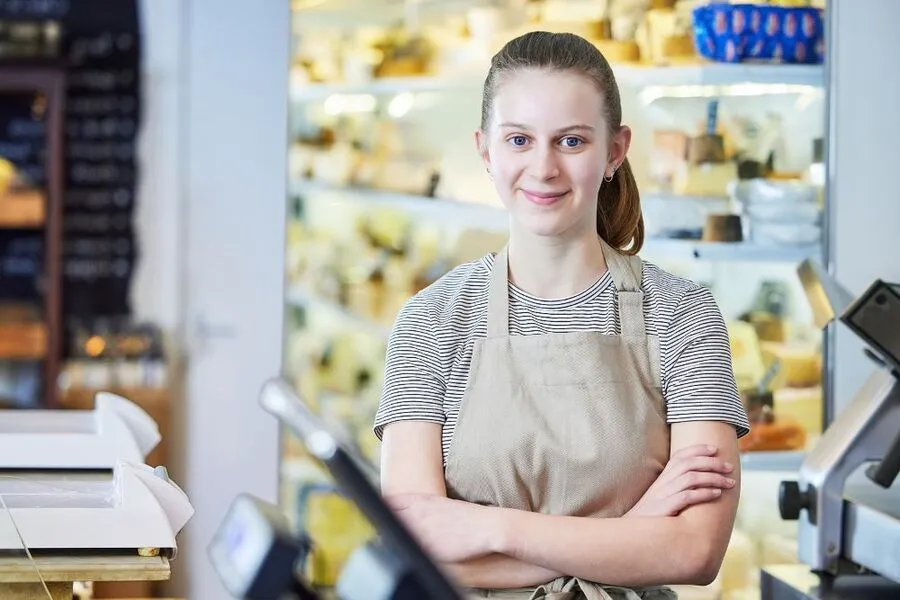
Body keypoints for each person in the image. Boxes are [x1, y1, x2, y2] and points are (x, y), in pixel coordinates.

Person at [373, 30, 751, 599]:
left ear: (615, 151)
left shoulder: (682, 314)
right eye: (519, 140)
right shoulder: (432, 320)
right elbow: (411, 552)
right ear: (485, 151)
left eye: (571, 141)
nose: (544, 167)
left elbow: (696, 551)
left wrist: (489, 527)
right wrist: (633, 535)